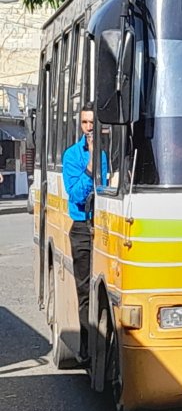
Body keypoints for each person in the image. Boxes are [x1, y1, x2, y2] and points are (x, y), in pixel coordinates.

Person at [62, 102, 97, 364]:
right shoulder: (73, 155)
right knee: (85, 290)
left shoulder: (116, 151)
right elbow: (74, 195)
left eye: (93, 123)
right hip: (83, 228)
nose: (89, 129)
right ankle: (86, 348)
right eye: (85, 123)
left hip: (110, 224)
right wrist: (91, 165)